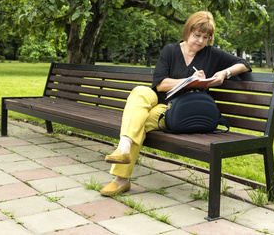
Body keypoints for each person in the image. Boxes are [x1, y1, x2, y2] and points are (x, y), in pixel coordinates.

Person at [100, 11, 252, 196]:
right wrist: (188, 79)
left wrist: (224, 74)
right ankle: (123, 148)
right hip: (158, 97)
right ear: (188, 31)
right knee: (140, 91)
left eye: (206, 37)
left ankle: (121, 179)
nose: (200, 41)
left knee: (139, 121)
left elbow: (243, 63)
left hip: (175, 109)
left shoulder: (212, 54)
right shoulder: (170, 50)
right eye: (197, 35)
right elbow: (161, 84)